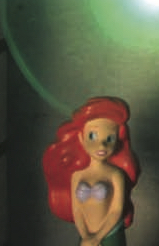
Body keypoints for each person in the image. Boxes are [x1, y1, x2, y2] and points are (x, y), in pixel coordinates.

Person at [43, 97, 140, 246]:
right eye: (92, 136)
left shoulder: (115, 175)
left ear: (118, 140)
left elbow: (116, 211)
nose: (101, 144)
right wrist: (86, 237)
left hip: (110, 234)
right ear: (81, 138)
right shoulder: (77, 175)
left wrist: (98, 238)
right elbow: (77, 211)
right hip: (86, 236)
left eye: (109, 138)